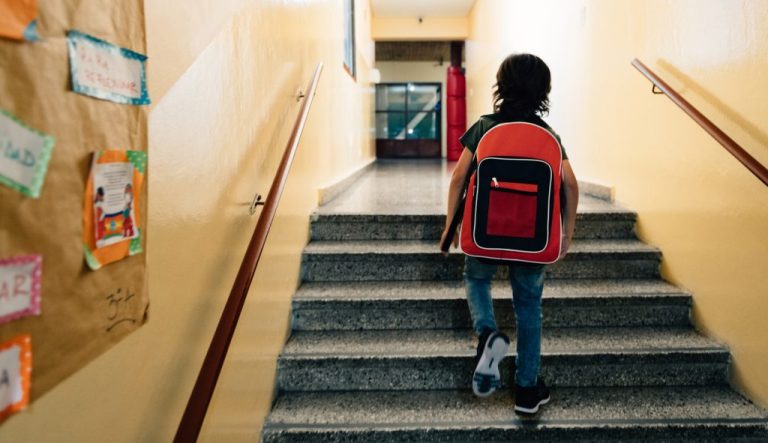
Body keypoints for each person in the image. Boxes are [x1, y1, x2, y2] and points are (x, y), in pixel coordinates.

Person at [440, 53, 579, 415]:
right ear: (544, 92)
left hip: (485, 231)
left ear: (501, 86)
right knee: (529, 307)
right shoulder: (547, 136)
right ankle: (527, 391)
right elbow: (569, 183)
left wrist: (450, 225)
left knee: (476, 279)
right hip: (532, 239)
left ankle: (487, 333)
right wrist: (566, 232)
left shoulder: (485, 127)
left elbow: (459, 177)